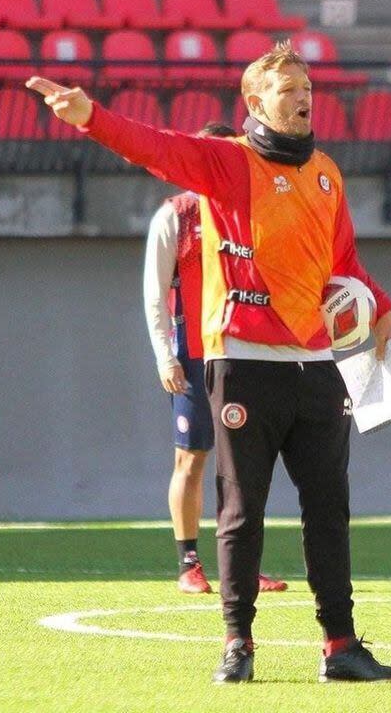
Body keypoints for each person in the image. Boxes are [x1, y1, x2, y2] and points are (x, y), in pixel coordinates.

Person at [27, 40, 391, 684]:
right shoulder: (227, 162)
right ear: (255, 101)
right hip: (244, 362)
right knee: (240, 507)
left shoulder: (327, 174)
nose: (304, 95)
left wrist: (384, 307)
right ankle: (238, 643)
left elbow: (343, 264)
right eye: (287, 88)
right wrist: (90, 114)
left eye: (306, 84)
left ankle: (340, 646)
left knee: (328, 506)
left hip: (318, 364)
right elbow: (154, 145)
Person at [143, 121, 287, 595]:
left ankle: (242, 565)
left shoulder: (255, 212)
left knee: (244, 464)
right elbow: (154, 293)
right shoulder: (176, 215)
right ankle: (188, 562)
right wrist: (166, 356)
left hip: (244, 352)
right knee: (191, 458)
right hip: (192, 356)